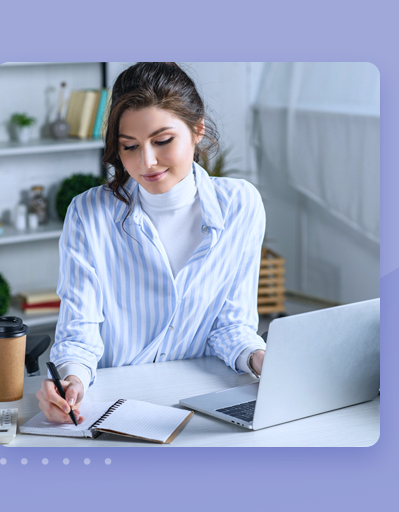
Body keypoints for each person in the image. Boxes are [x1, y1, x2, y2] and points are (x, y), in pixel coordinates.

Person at [36, 62, 267, 423]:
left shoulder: (240, 205)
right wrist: (72, 380)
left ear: (197, 129)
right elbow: (79, 332)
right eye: (129, 146)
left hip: (201, 398)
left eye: (162, 141)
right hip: (114, 406)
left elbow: (231, 325)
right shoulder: (89, 213)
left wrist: (259, 358)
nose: (146, 162)